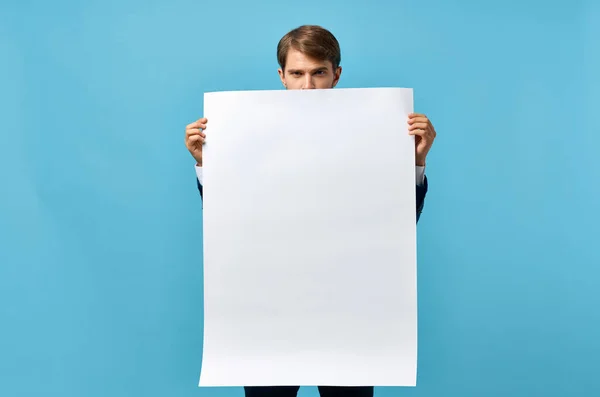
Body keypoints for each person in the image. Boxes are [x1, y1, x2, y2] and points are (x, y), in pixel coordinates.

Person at [184, 25, 436, 397]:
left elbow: (398, 224)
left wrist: (414, 163)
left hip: (347, 307)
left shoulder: (374, 133)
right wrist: (209, 165)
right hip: (267, 305)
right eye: (297, 74)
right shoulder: (248, 136)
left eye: (318, 73)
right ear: (281, 77)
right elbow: (229, 226)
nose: (307, 86)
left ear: (336, 74)